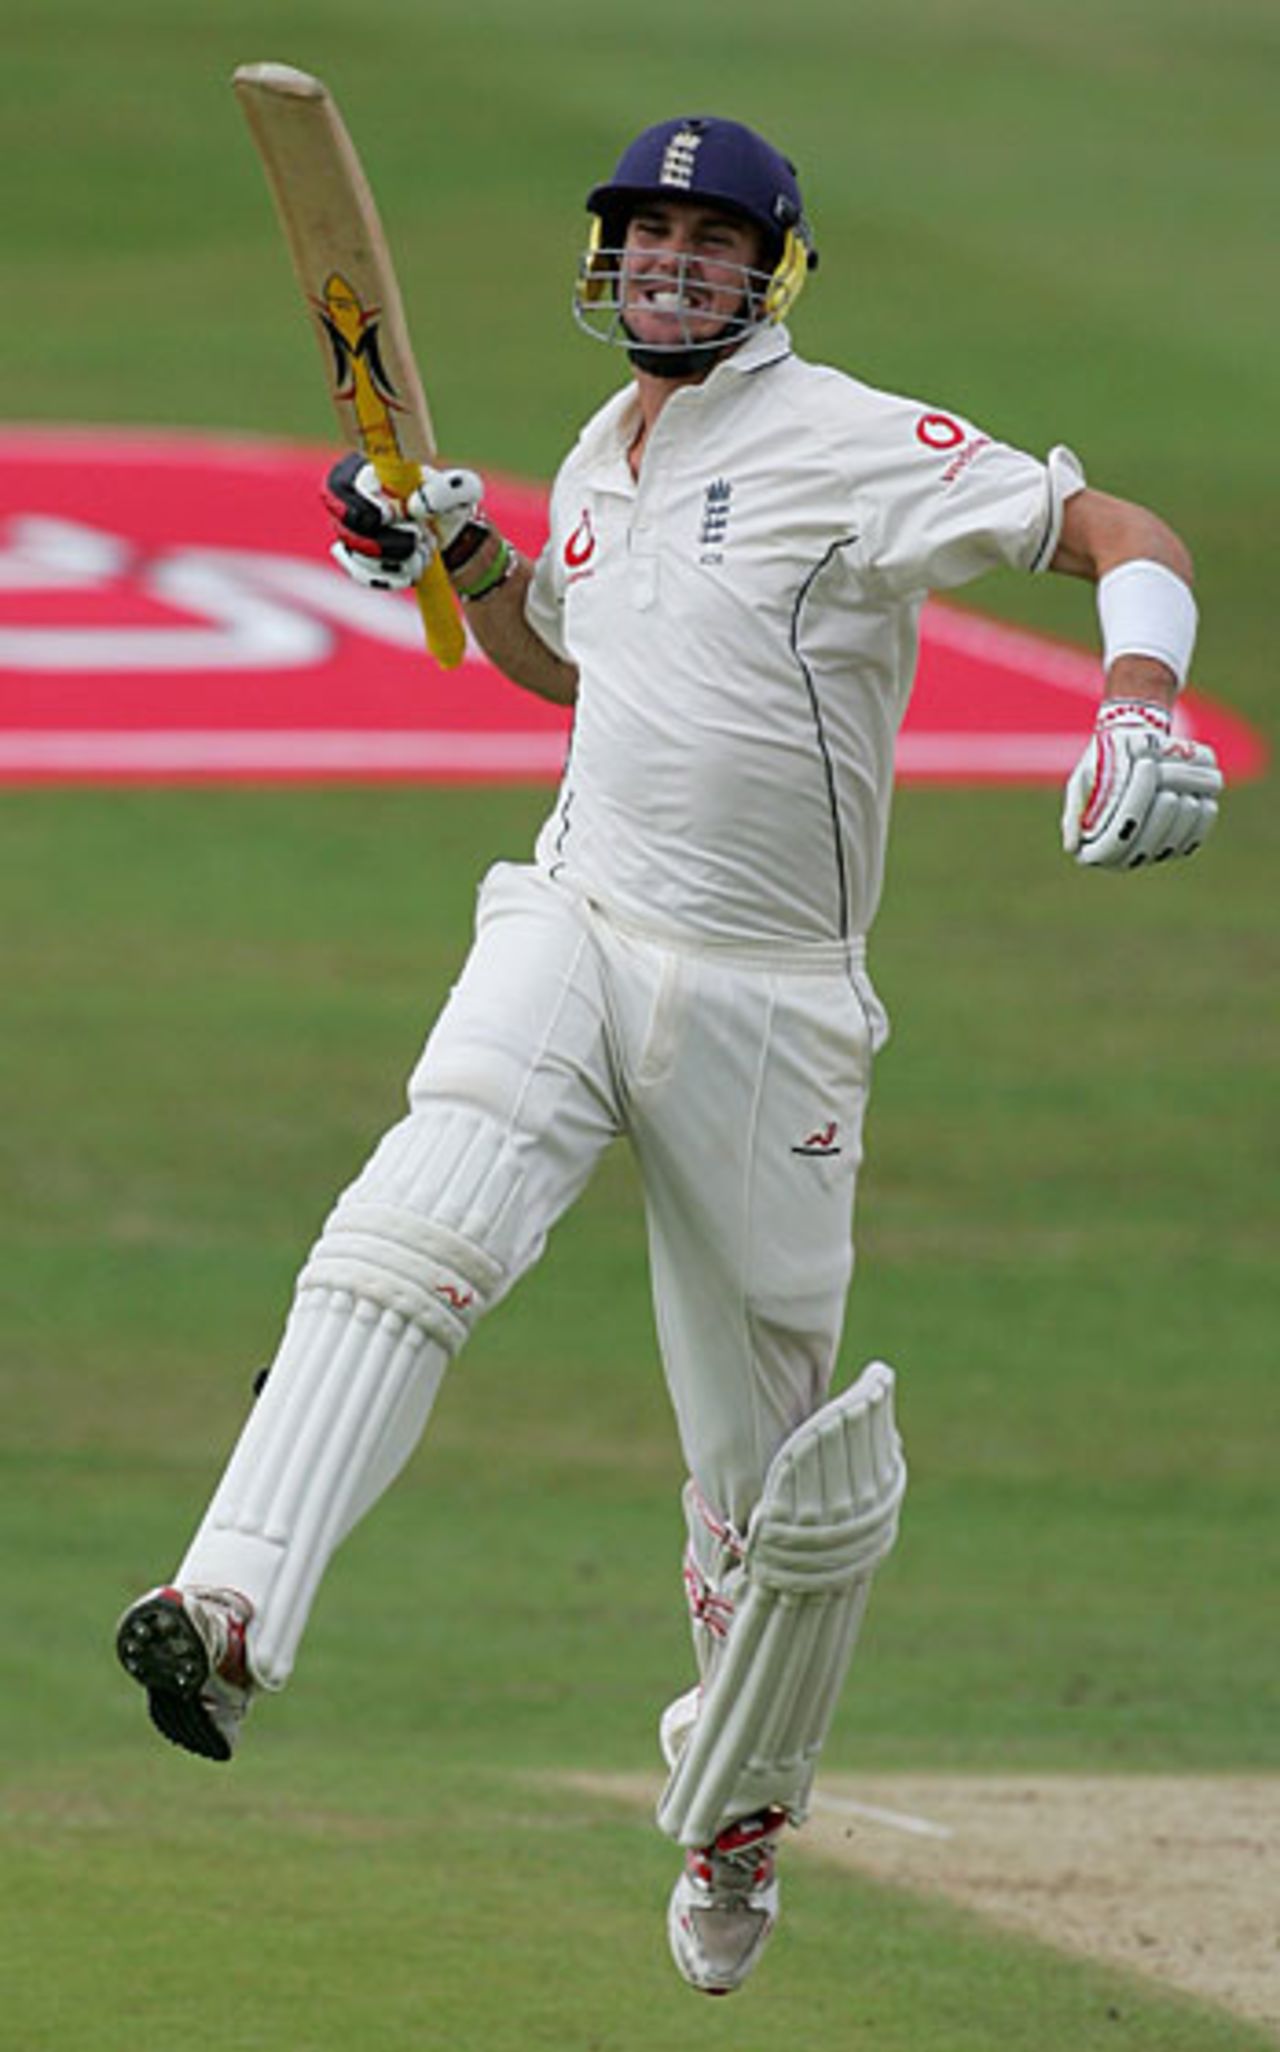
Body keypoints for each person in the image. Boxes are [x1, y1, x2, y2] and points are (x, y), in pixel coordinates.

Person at [115, 116, 1222, 1995]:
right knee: (417, 1216)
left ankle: (734, 1803)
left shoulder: (847, 438)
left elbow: (1121, 531)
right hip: (578, 918)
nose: (665, 272)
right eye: (642, 241)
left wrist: (1134, 697)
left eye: (707, 248)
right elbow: (570, 662)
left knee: (772, 1494)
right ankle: (228, 1605)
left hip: (774, 1004)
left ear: (771, 272)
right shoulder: (605, 451)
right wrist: (460, 550)